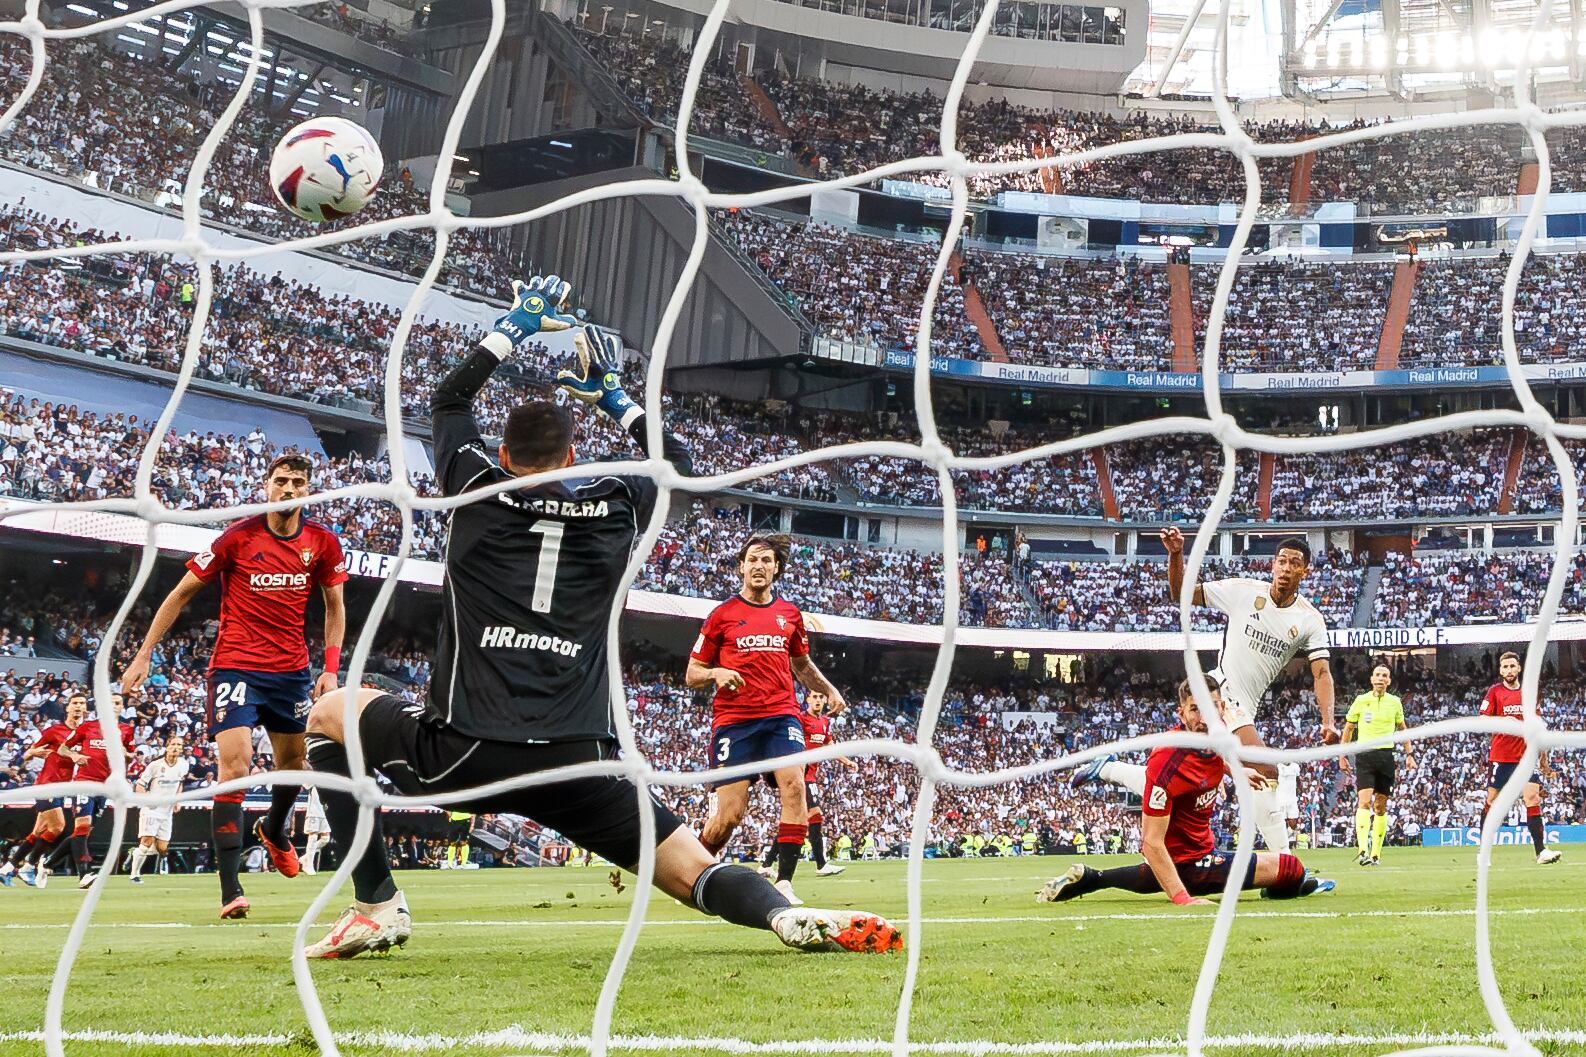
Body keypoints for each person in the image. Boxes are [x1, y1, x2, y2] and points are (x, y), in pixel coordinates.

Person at [302, 276, 901, 958]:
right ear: (572, 459)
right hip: (580, 758)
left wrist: (514, 326)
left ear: (501, 458)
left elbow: (448, 398)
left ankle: (377, 903)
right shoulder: (614, 507)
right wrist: (615, 396)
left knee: (329, 717)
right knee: (689, 870)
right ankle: (782, 916)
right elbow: (678, 464)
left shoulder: (472, 491)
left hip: (466, 749)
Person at [120, 451, 348, 919]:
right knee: (236, 768)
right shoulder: (237, 537)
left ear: (310, 490)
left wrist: (330, 668)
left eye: (298, 483)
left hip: (290, 672)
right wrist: (144, 654)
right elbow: (180, 593)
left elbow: (335, 607)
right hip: (235, 667)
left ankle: (275, 827)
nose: (289, 489)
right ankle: (230, 891)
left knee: (294, 765)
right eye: (281, 481)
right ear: (266, 486)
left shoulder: (323, 544)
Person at [1072, 533, 1336, 853]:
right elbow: (1180, 593)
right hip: (1221, 691)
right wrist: (1176, 554)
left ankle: (1108, 768)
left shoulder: (1310, 619)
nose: (1285, 568)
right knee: (1266, 769)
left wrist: (1328, 721)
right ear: (1273, 565)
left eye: (1294, 563)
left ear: (1305, 571)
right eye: (1281, 561)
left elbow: (1321, 671)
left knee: (1182, 780)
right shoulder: (1243, 591)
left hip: (1245, 705)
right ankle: (1286, 864)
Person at [1038, 681, 1335, 905]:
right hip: (1190, 863)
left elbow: (1215, 752)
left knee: (1145, 874)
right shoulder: (1168, 759)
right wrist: (1183, 899)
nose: (1204, 716)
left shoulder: (1215, 735)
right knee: (1290, 867)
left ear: (1222, 709)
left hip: (1197, 853)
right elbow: (1151, 844)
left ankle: (1090, 878)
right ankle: (1278, 887)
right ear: (1181, 712)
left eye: (1211, 706)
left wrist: (1237, 771)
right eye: (1195, 708)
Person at [688, 534, 849, 905]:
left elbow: (801, 664)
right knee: (729, 815)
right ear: (741, 567)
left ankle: (784, 882)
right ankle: (692, 872)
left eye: (767, 561)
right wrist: (715, 674)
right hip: (734, 721)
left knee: (795, 789)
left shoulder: (789, 615)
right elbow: (693, 672)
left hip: (781, 716)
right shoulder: (721, 616)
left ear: (776, 569)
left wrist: (830, 689)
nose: (759, 566)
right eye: (753, 560)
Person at [760, 691, 855, 879]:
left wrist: (846, 761)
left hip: (810, 774)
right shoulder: (801, 719)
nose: (818, 700)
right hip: (800, 774)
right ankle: (821, 864)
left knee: (797, 820)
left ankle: (766, 863)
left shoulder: (824, 723)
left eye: (821, 697)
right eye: (815, 697)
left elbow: (830, 746)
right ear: (808, 700)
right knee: (815, 816)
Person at [1479, 652, 1561, 865]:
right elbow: (1482, 720)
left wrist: (1543, 759)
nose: (1508, 670)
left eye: (1512, 666)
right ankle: (1484, 852)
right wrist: (1503, 721)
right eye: (1504, 667)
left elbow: (1538, 728)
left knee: (1532, 799)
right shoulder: (1494, 692)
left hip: (1525, 757)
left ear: (1519, 669)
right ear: (1500, 670)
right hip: (1501, 757)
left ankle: (1541, 852)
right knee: (1492, 802)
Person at [0, 694, 86, 887]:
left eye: (82, 704)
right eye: (75, 704)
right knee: (57, 827)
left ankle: (7, 869)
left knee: (38, 831)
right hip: (47, 784)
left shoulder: (85, 733)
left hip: (63, 786)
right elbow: (28, 753)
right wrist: (34, 752)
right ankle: (27, 866)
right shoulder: (55, 731)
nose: (78, 707)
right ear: (68, 708)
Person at [1339, 664, 1414, 866]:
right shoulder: (1361, 701)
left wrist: (1409, 754)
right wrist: (1342, 755)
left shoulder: (1395, 702)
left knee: (1380, 806)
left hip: (1386, 756)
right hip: (1365, 755)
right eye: (1378, 675)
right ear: (1372, 679)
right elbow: (1348, 729)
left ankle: (1375, 854)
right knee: (1363, 801)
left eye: (1385, 676)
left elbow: (1403, 729)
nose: (1381, 678)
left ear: (1389, 681)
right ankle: (1362, 849)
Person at [57, 701, 137, 888]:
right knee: (83, 827)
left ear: (121, 708)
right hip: (85, 782)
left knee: (83, 831)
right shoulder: (87, 726)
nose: (113, 705)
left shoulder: (125, 730)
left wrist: (126, 753)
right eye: (111, 702)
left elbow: (132, 755)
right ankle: (84, 873)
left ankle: (48, 862)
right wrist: (74, 756)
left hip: (106, 787)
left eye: (117, 703)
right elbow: (62, 748)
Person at [130, 734, 190, 883]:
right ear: (167, 747)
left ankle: (139, 854)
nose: (176, 748)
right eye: (173, 745)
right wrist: (147, 800)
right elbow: (139, 785)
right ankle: (134, 875)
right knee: (147, 841)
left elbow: (180, 783)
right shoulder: (155, 765)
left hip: (167, 811)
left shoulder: (184, 764)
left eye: (179, 745)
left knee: (162, 847)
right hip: (152, 809)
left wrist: (177, 800)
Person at [302, 788, 331, 875]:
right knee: (313, 836)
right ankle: (308, 866)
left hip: (322, 811)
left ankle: (305, 858)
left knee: (326, 838)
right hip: (313, 811)